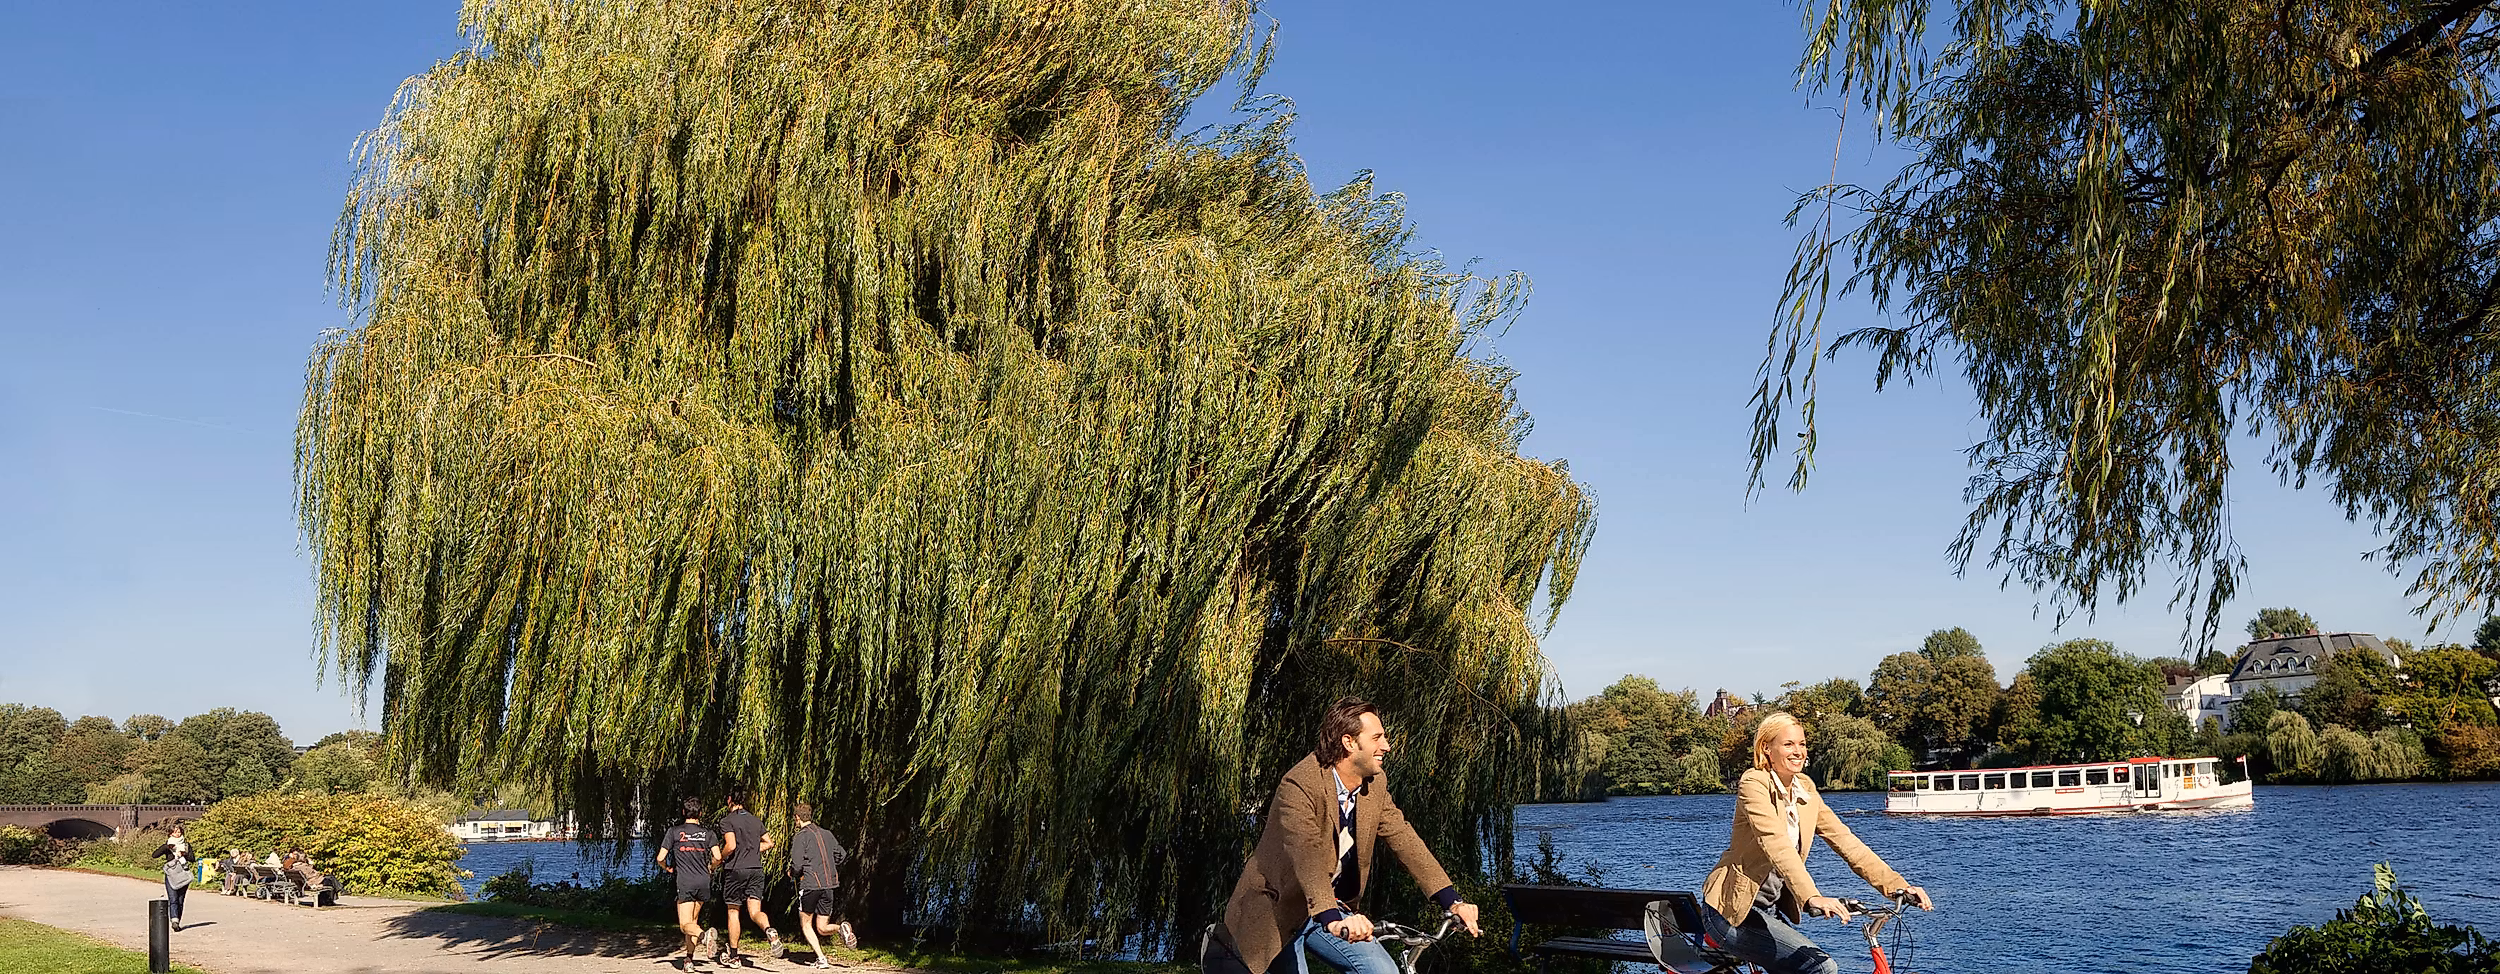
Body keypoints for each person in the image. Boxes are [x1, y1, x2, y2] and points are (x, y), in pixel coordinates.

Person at [1212, 697, 1482, 974]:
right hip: (1279, 904)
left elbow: (1404, 838)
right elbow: (1305, 853)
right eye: (1377, 737)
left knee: (1382, 972)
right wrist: (1332, 919)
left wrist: (1453, 901)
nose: (1386, 746)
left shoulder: (1375, 783)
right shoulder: (1299, 785)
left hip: (1332, 904)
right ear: (1349, 742)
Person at [1698, 712, 1934, 974]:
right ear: (1767, 748)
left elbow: (1846, 842)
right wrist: (1812, 897)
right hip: (1731, 911)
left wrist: (1897, 887)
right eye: (1788, 744)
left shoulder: (1805, 789)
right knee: (1821, 967)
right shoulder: (1754, 783)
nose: (1798, 751)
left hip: (1768, 911)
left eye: (1802, 744)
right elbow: (1774, 842)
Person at [657, 797, 725, 969]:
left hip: (685, 882)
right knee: (692, 921)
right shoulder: (708, 833)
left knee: (684, 925)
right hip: (703, 881)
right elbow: (718, 856)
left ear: (683, 813)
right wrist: (711, 868)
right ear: (700, 814)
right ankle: (689, 960)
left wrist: (667, 868)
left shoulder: (674, 832)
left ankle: (704, 936)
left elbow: (660, 858)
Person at [716, 788, 782, 962]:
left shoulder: (727, 821)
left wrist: (720, 858)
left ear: (729, 799)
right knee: (755, 911)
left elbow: (730, 845)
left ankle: (735, 956)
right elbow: (769, 843)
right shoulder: (755, 820)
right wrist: (753, 850)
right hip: (756, 869)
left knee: (733, 911)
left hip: (736, 870)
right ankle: (769, 930)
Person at [787, 803, 853, 969]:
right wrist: (830, 865)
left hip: (810, 884)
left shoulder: (800, 836)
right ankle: (840, 929)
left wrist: (792, 873)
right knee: (822, 927)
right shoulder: (827, 834)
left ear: (797, 818)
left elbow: (797, 864)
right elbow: (842, 855)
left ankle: (821, 958)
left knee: (806, 924)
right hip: (829, 884)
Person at [162, 846, 193, 931]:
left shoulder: (185, 845)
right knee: (173, 899)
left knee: (180, 900)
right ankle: (174, 921)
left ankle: (177, 921)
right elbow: (155, 855)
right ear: (171, 834)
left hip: (183, 876)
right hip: (171, 876)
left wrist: (184, 854)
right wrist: (166, 847)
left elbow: (192, 858)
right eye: (175, 832)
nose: (178, 834)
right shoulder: (168, 846)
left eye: (179, 832)